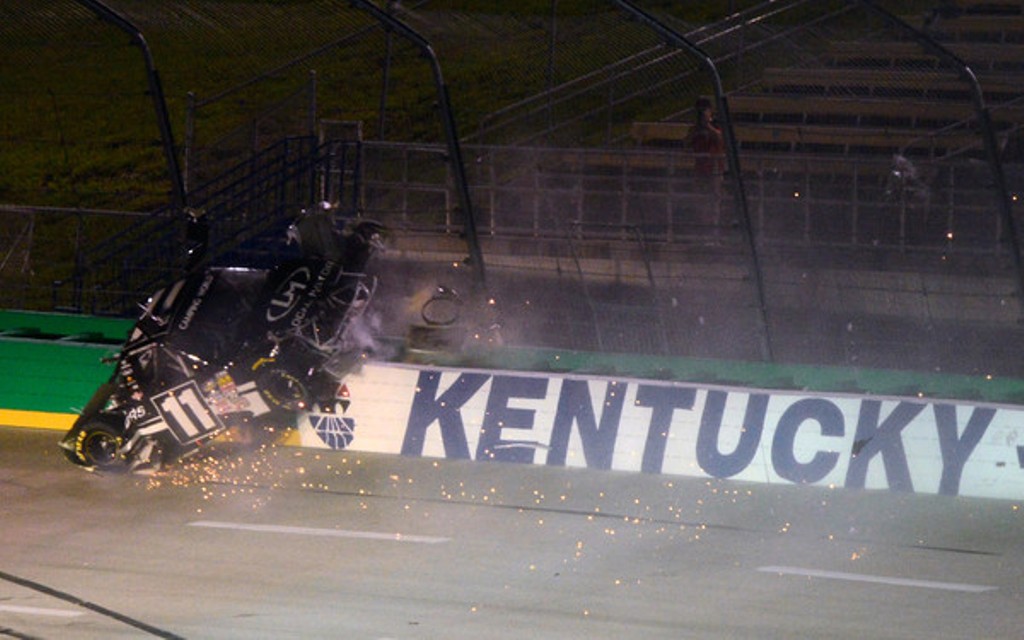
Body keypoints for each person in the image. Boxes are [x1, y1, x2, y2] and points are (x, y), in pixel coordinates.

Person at [685, 97, 726, 228]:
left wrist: (708, 125)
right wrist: (698, 129)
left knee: (714, 201)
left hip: (714, 169)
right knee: (701, 200)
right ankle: (702, 227)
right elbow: (687, 142)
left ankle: (714, 230)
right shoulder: (694, 129)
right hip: (700, 169)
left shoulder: (716, 126)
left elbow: (720, 139)